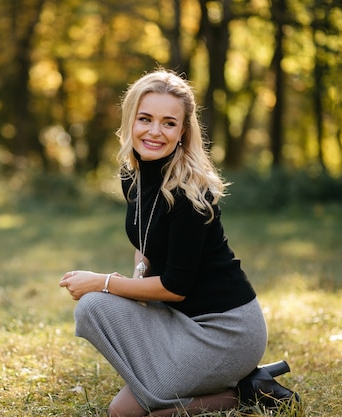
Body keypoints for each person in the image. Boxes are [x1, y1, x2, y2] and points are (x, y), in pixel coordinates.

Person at [59, 69, 300, 416]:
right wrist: (133, 279)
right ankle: (227, 385)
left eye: (168, 123)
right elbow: (146, 235)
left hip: (227, 330)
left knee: (123, 403)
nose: (155, 131)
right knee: (120, 393)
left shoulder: (190, 193)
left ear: (183, 131)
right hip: (178, 318)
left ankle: (249, 391)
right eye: (145, 119)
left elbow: (176, 286)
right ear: (131, 121)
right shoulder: (134, 174)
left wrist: (105, 282)